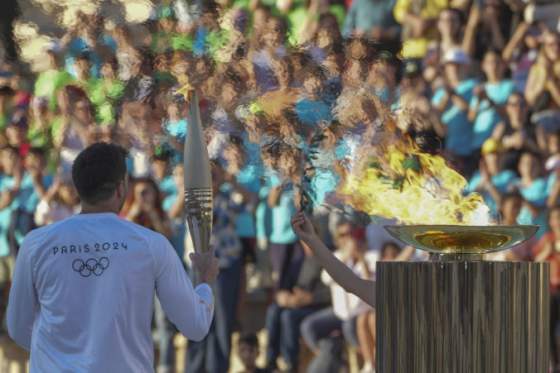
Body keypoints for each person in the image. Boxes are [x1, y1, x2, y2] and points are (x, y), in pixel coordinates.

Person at [6, 142, 218, 372]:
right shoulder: (151, 244)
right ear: (121, 188)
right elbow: (196, 326)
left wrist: (61, 355)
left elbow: (18, 328)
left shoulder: (35, 244)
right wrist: (204, 281)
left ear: (78, 188)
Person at [291, 211, 375, 308]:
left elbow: (362, 286)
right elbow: (334, 280)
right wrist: (312, 240)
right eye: (343, 235)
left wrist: (361, 258)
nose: (348, 238)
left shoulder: (371, 255)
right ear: (336, 239)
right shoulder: (337, 255)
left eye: (350, 233)